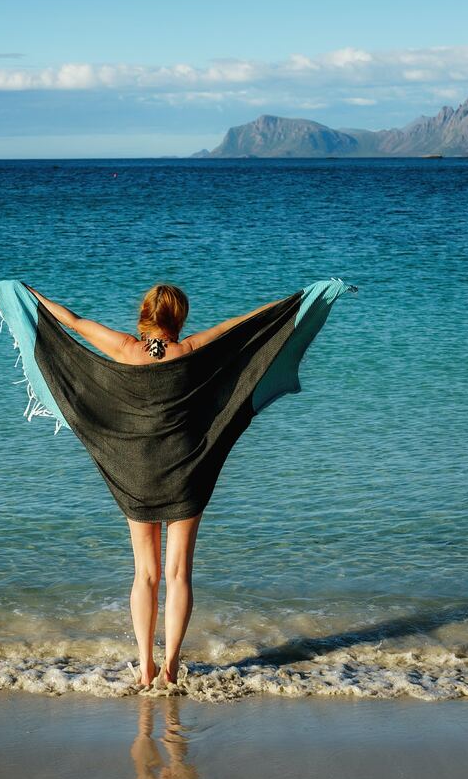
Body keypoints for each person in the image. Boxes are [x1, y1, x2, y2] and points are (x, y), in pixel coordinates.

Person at [26, 283, 281, 689]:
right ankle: (172, 667)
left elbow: (71, 321)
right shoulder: (191, 349)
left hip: (136, 471)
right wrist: (293, 303)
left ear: (144, 315)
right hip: (186, 468)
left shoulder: (125, 348)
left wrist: (28, 294)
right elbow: (242, 325)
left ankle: (145, 667)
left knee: (146, 573)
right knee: (178, 572)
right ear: (178, 317)